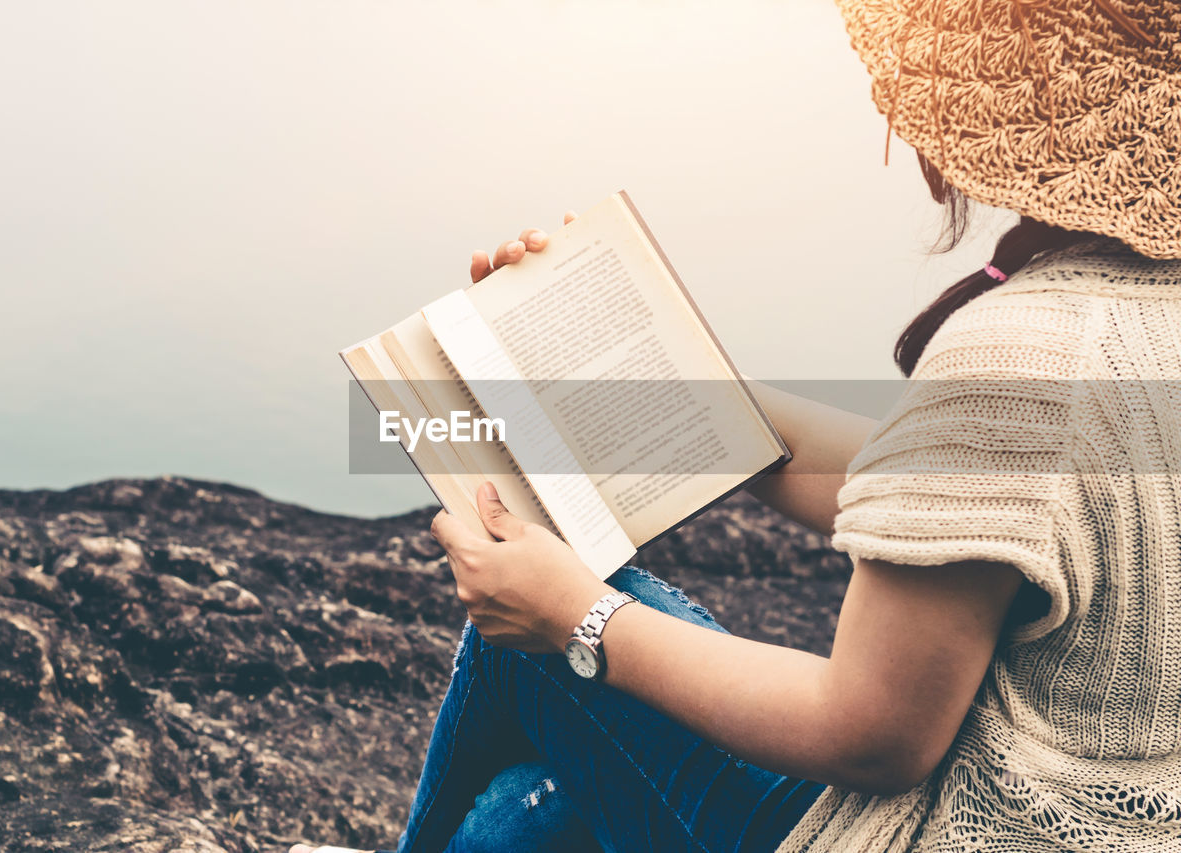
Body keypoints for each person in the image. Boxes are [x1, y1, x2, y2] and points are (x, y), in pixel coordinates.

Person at [294, 0, 1181, 849]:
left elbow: (873, 734)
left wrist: (577, 614)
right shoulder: (1135, 323)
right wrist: (649, 380)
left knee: (526, 657)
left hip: (949, 829)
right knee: (523, 817)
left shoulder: (1019, 349)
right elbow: (934, 497)